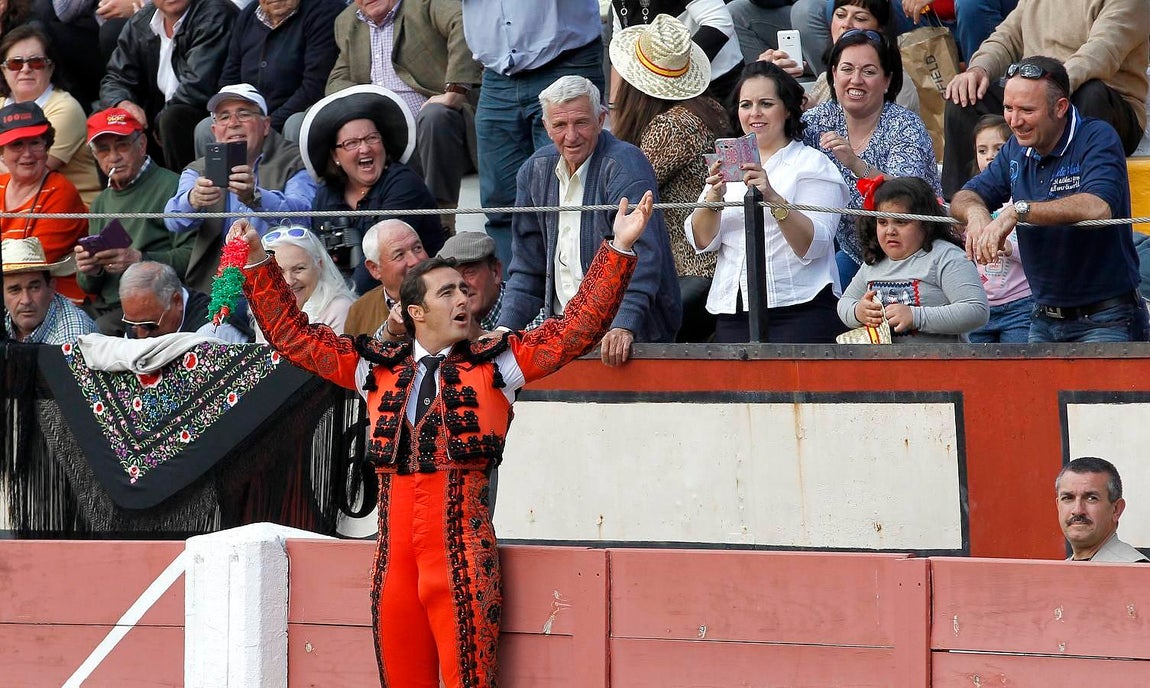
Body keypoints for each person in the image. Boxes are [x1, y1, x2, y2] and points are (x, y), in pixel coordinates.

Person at [231, 185, 652, 687]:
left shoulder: (498, 364)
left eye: (464, 289)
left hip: (463, 563)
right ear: (415, 312)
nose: (463, 299)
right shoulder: (374, 366)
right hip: (393, 570)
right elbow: (292, 336)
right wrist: (257, 265)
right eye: (446, 292)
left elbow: (577, 329)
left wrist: (618, 248)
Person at [951, 56, 1146, 344]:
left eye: (1026, 110)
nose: (1014, 121)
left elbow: (1098, 206)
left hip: (1106, 317)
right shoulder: (1016, 149)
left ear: (1060, 108)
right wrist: (977, 214)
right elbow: (965, 195)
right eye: (1008, 108)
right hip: (1043, 317)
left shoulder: (1097, 137)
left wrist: (1019, 211)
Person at [498, 75, 682, 367]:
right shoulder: (533, 170)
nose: (571, 136)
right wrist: (503, 330)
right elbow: (527, 269)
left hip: (631, 336)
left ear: (601, 119)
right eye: (559, 125)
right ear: (546, 128)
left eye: (581, 122)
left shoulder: (625, 163)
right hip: (563, 335)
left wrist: (624, 324)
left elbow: (644, 255)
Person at [686, 61, 848, 343]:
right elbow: (700, 240)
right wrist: (714, 198)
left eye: (766, 103)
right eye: (746, 104)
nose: (754, 113)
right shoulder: (729, 161)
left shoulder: (812, 164)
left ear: (787, 109)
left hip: (799, 308)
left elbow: (815, 244)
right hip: (733, 310)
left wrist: (773, 198)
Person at [940, 0, 1148, 198]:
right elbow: (1007, 37)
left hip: (1109, 105)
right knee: (966, 96)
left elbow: (1101, 53)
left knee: (1089, 92)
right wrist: (979, 69)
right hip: (1036, 94)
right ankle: (961, 208)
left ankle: (1070, 201)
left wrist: (1046, 87)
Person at [461, 0, 606, 271]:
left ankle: (582, 299)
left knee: (573, 192)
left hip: (567, 57)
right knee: (500, 204)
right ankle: (514, 296)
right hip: (496, 73)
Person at [610, 14, 728, 343]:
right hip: (711, 266)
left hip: (687, 272)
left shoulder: (672, 125)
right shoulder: (709, 109)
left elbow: (624, 191)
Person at [326, 0, 483, 237]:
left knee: (436, 116)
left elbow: (463, 24)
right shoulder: (347, 20)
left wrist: (455, 91)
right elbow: (337, 79)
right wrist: (367, 105)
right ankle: (339, 228)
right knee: (320, 128)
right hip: (382, 140)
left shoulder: (425, 3)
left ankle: (441, 222)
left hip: (435, 130)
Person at [801, 28, 940, 287]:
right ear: (833, 74)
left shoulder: (904, 125)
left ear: (887, 81)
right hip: (854, 253)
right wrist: (779, 85)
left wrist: (857, 164)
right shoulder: (818, 119)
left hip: (914, 255)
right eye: (846, 69)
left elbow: (906, 198)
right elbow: (775, 139)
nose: (856, 80)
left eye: (868, 71)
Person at [165, 83, 316, 293]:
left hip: (281, 282)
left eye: (244, 114)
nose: (233, 124)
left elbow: (306, 217)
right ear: (214, 131)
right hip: (218, 286)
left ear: (265, 125)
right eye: (224, 117)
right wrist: (193, 200)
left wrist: (256, 197)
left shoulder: (292, 160)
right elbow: (172, 221)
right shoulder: (200, 169)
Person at [302, 85, 444, 294]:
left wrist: (345, 305)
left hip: (411, 292)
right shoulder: (326, 194)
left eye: (372, 138)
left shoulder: (404, 184)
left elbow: (382, 260)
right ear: (335, 156)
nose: (365, 148)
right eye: (351, 143)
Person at [75, 107, 187, 336]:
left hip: (151, 307)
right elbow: (88, 286)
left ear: (142, 144)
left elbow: (194, 257)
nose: (113, 157)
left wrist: (141, 259)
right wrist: (90, 269)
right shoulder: (100, 203)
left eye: (122, 145)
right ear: (95, 156)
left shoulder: (172, 187)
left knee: (96, 332)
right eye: (103, 150)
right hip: (107, 307)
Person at [838, 175, 988, 342]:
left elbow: (977, 310)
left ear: (926, 223)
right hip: (883, 365)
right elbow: (844, 303)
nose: (890, 231)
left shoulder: (946, 257)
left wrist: (916, 317)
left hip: (940, 364)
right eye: (882, 222)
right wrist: (857, 312)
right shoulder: (874, 262)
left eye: (900, 222)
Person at [99, 0, 238, 172]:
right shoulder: (143, 20)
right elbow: (115, 78)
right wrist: (122, 103)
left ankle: (184, 191)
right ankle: (120, 196)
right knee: (107, 118)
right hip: (160, 114)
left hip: (206, 112)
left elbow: (198, 87)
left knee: (172, 118)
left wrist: (157, 121)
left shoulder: (215, 15)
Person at [758, 0, 919, 113]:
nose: (846, 24)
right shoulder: (824, 79)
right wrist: (770, 78)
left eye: (860, 18)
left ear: (881, 28)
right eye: (840, 15)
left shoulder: (899, 83)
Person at [0, 25, 100, 205]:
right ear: (4, 70)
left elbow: (28, 173)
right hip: (16, 205)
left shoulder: (65, 108)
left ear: (50, 68)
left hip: (69, 209)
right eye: (15, 63)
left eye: (35, 62)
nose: (25, 70)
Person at [0, 101, 86, 304]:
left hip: (56, 301)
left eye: (35, 142)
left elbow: (25, 263)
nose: (27, 154)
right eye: (17, 145)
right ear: (2, 153)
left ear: (47, 146)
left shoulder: (61, 191)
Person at [217, 0, 344, 136]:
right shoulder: (248, 15)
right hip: (251, 118)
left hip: (295, 114)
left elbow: (315, 87)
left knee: (295, 124)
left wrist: (268, 124)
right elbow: (230, 79)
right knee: (207, 127)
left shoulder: (324, 11)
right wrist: (237, 118)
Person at [965, 114, 1032, 344]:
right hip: (979, 306)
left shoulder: (1022, 201)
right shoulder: (970, 203)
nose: (990, 156)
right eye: (982, 150)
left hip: (1020, 305)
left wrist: (1009, 247)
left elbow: (1039, 254)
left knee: (1018, 371)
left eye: (998, 149)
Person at [609, 2, 744, 102]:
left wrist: (682, 73)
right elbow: (620, 49)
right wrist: (616, 107)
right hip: (659, 90)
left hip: (718, 85)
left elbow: (719, 22)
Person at [254, 225, 355, 341]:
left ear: (319, 265)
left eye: (299, 269)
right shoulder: (266, 311)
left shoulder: (339, 309)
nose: (289, 281)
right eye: (278, 272)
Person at [118, 261, 251, 342]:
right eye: (131, 324)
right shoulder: (137, 324)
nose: (140, 336)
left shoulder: (211, 332)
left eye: (149, 325)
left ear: (177, 302)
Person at [343, 219, 428, 338]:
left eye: (417, 248)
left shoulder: (451, 295)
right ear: (374, 268)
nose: (415, 261)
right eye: (399, 255)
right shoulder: (359, 312)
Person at [1056, 457, 1148, 563]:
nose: (1077, 510)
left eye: (1091, 498)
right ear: (1058, 506)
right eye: (1068, 498)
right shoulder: (1059, 572)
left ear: (1116, 510)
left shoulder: (1135, 572)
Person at [3, 236, 94, 343]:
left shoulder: (73, 336)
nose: (26, 300)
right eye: (15, 290)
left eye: (34, 288)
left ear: (51, 288)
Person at [436, 231, 503, 333]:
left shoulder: (528, 314)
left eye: (469, 272)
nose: (461, 287)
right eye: (451, 277)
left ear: (495, 272)